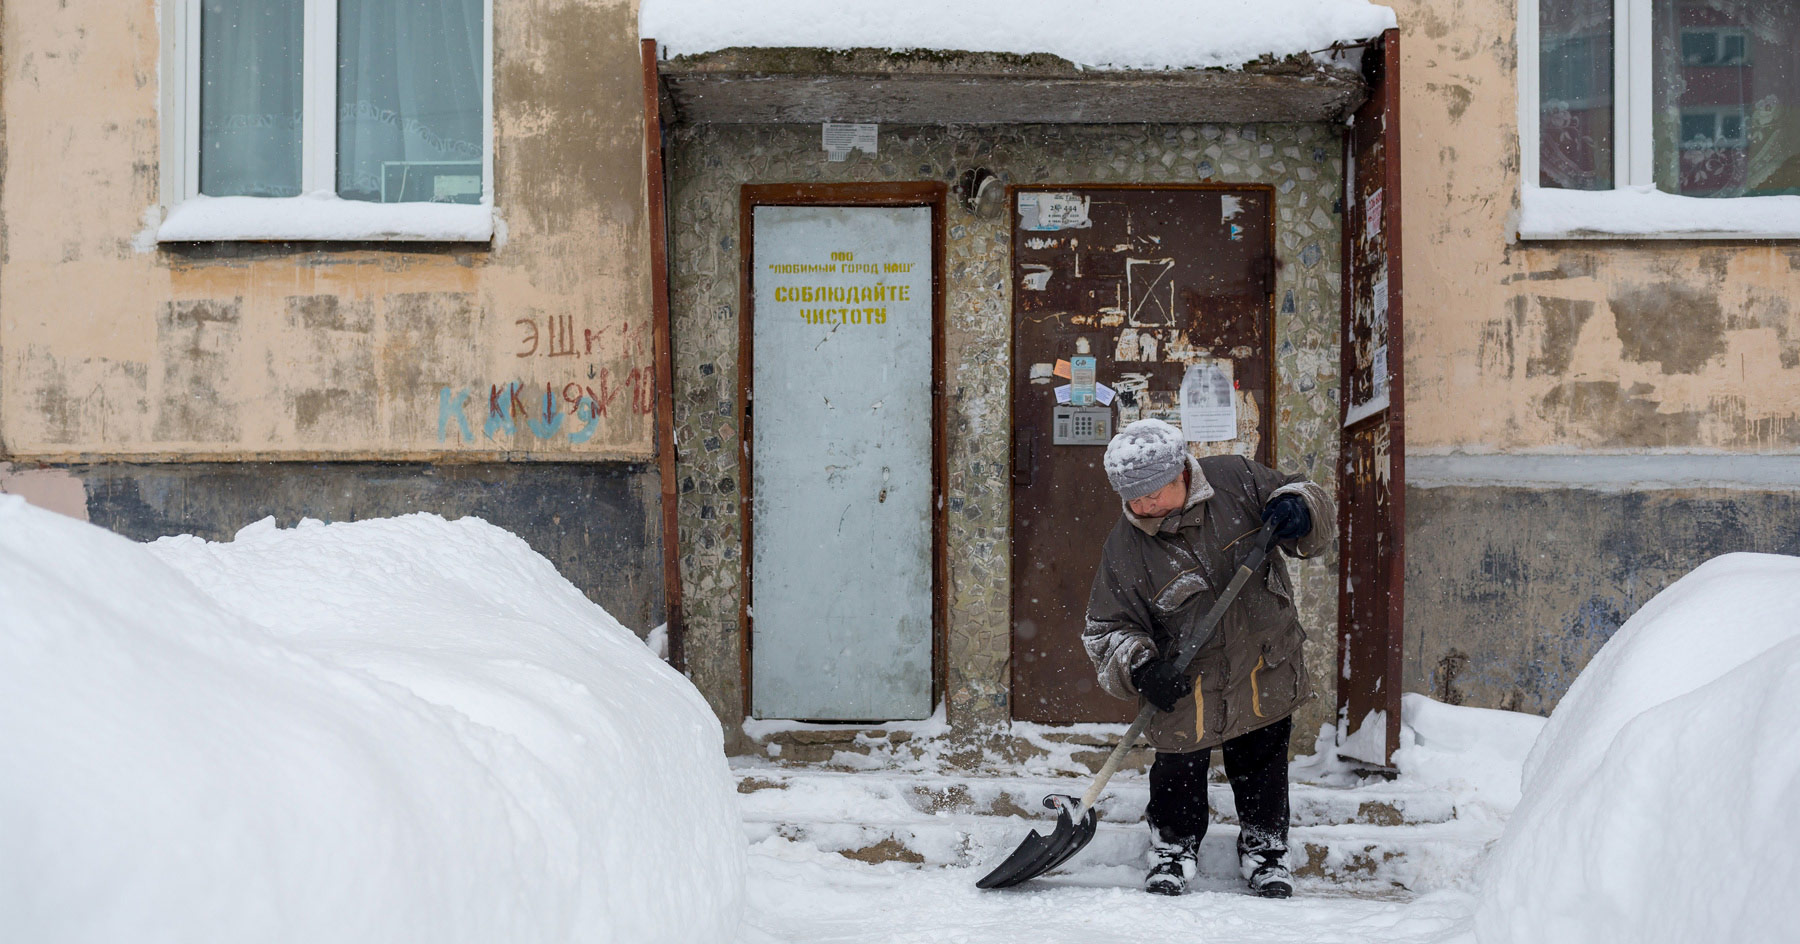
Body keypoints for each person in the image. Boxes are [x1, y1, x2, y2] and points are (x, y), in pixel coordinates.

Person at [1082, 419, 1335, 898]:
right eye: (1132, 499)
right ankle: (1172, 850)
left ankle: (1265, 851)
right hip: (1187, 679)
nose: (1143, 507)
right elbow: (1106, 628)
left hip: (1262, 660)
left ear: (1182, 471)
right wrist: (1141, 666)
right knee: (1178, 767)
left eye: (1152, 493)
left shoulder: (1237, 480)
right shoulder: (1125, 546)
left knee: (1262, 760)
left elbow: (1309, 497)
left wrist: (1301, 509)